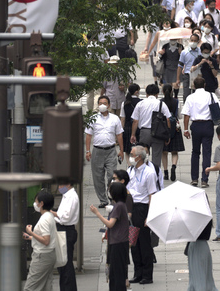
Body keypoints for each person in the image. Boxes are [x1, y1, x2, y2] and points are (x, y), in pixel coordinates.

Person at [182, 77, 220, 187]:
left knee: (195, 152)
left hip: (195, 125)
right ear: (204, 84)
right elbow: (219, 110)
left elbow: (186, 114)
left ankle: (194, 178)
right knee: (207, 153)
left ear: (194, 86)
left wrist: (186, 129)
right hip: (208, 125)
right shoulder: (211, 95)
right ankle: (204, 179)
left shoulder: (190, 97)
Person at [127, 147, 159, 285]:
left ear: (139, 157)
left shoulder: (149, 173)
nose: (130, 157)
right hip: (131, 207)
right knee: (133, 243)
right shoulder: (130, 171)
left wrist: (149, 215)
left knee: (144, 243)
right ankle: (137, 273)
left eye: (132, 155)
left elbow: (152, 194)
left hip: (142, 208)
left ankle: (147, 275)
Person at [85, 96, 125, 208]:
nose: (102, 105)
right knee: (98, 177)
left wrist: (121, 150)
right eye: (100, 103)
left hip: (111, 150)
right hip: (97, 151)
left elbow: (119, 135)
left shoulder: (115, 118)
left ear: (109, 105)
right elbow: (88, 135)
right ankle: (103, 200)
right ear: (98, 105)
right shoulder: (93, 118)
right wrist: (88, 151)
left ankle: (112, 196)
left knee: (112, 177)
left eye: (105, 103)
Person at [91, 182, 130, 291]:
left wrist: (97, 213)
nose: (109, 192)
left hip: (118, 244)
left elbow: (110, 224)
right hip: (117, 243)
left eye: (110, 190)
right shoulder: (119, 205)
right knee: (115, 274)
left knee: (117, 275)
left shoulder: (118, 206)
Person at [23, 190, 58, 291]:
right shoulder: (50, 216)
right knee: (46, 286)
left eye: (36, 201)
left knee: (30, 287)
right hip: (49, 255)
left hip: (42, 256)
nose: (35, 204)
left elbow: (46, 240)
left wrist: (31, 232)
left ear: (41, 203)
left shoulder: (44, 219)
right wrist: (30, 237)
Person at [130, 84, 172, 168]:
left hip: (144, 132)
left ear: (146, 94)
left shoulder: (140, 104)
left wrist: (133, 134)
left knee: (143, 156)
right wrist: (168, 134)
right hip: (158, 133)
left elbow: (135, 121)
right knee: (157, 156)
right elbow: (168, 119)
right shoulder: (161, 104)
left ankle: (144, 174)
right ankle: (155, 176)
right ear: (157, 94)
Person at [52, 183, 80, 291]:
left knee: (66, 264)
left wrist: (53, 214)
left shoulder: (72, 197)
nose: (59, 187)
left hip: (66, 230)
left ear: (68, 184)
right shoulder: (67, 195)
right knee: (62, 264)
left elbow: (65, 217)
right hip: (62, 229)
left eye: (60, 185)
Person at [186, 220, 218, 291]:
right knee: (206, 278)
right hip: (203, 246)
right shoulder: (205, 216)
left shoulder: (194, 219)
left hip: (196, 247)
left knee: (197, 278)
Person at [161, 84, 183, 181]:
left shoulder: (160, 102)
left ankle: (165, 172)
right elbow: (180, 116)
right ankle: (173, 167)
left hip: (163, 128)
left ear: (162, 92)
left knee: (164, 152)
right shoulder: (176, 101)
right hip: (175, 128)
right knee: (174, 151)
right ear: (172, 92)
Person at [176, 33, 201, 101]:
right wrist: (178, 79)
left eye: (195, 41)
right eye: (192, 40)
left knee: (197, 94)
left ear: (198, 42)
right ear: (189, 40)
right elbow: (180, 66)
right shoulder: (184, 52)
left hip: (197, 75)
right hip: (187, 75)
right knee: (186, 94)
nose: (193, 42)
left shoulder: (200, 52)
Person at [120, 83, 141, 155]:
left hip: (127, 127)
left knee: (128, 150)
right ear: (136, 92)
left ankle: (129, 165)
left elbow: (123, 118)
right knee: (139, 150)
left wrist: (121, 130)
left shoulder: (124, 103)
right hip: (139, 127)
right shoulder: (141, 102)